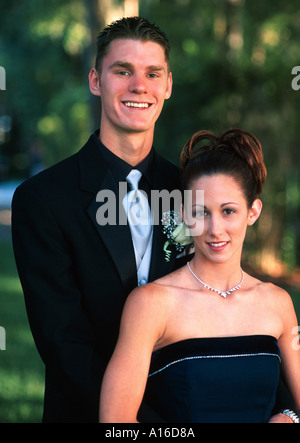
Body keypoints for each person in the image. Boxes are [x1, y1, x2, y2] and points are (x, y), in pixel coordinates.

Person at [11, 17, 187, 423]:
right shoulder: (43, 200)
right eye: (122, 71)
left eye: (152, 73)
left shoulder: (190, 190)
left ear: (168, 86)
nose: (139, 86)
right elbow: (64, 344)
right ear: (96, 81)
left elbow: (228, 299)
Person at [100, 129, 300, 423]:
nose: (215, 229)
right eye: (201, 212)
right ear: (184, 213)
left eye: (229, 211)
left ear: (253, 212)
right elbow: (116, 423)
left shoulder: (278, 303)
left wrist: (290, 418)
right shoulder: (150, 304)